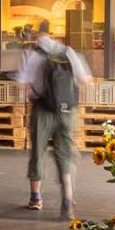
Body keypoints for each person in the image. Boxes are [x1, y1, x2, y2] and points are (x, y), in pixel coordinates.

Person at [18, 21, 92, 218]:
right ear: (51, 34)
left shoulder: (33, 55)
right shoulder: (68, 52)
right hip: (67, 111)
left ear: (37, 34)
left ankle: (36, 198)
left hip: (42, 109)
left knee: (38, 152)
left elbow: (23, 83)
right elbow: (84, 80)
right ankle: (67, 197)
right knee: (65, 153)